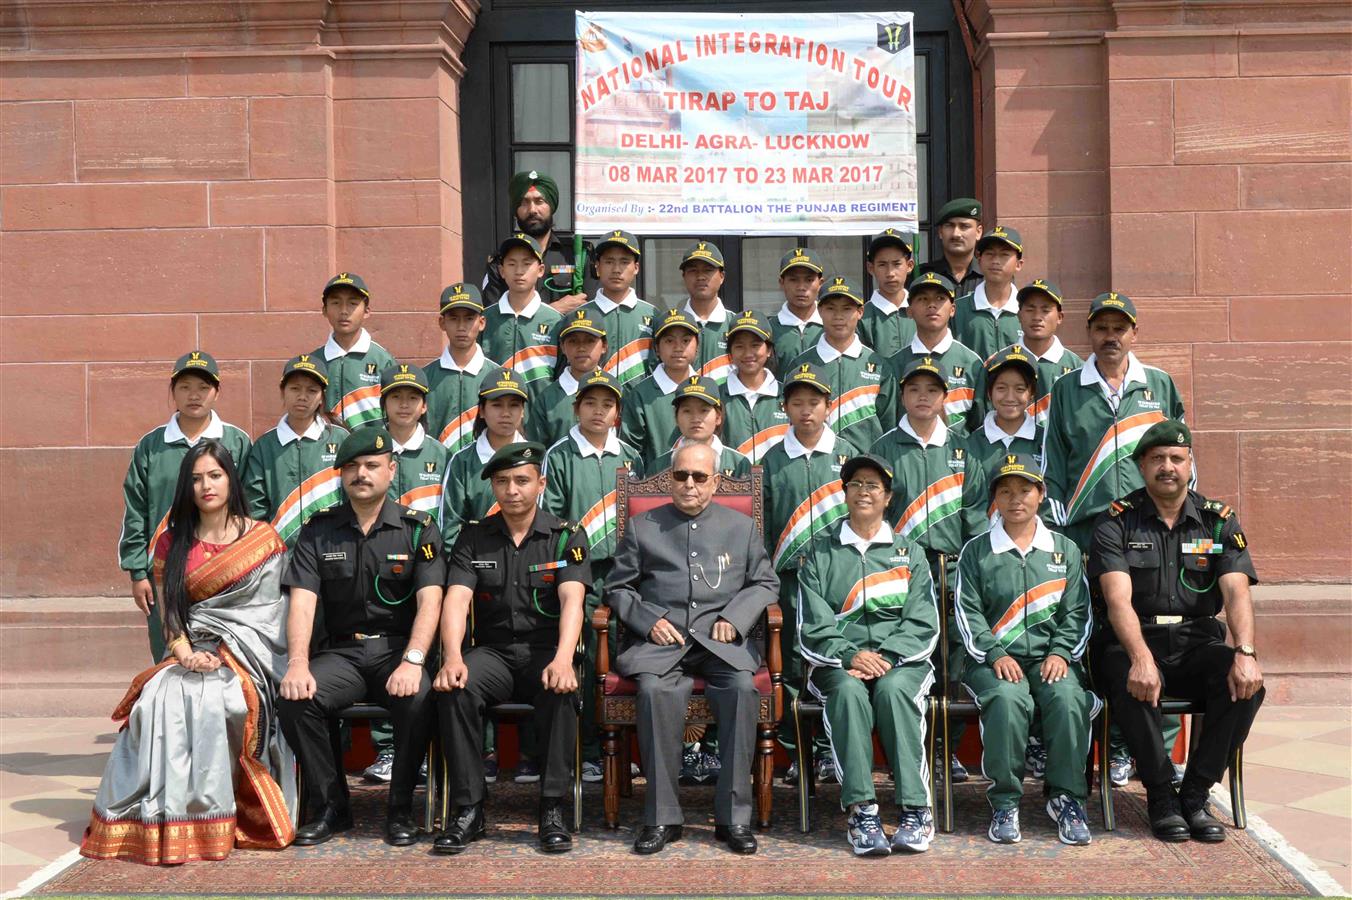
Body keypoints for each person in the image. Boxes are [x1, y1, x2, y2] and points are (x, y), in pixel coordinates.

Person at [83, 441, 296, 865]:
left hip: (250, 653)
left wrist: (227, 650)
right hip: (190, 649)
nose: (206, 486)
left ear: (230, 480)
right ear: (187, 486)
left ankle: (219, 814)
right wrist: (185, 656)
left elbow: (272, 615)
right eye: (196, 478)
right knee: (158, 699)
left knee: (222, 700)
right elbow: (170, 619)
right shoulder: (172, 544)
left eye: (214, 475)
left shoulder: (262, 538)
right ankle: (168, 816)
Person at [1089, 420, 1264, 843]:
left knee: (1247, 685)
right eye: (1157, 459)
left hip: (1196, 642)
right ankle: (1161, 795)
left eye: (1176, 458)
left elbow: (1236, 592)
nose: (1167, 467)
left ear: (1190, 465)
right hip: (1134, 639)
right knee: (1131, 679)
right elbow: (1117, 601)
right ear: (1141, 466)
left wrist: (1245, 652)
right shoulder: (1117, 523)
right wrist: (1141, 656)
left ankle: (1196, 792)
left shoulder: (1216, 523)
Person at [605, 443, 779, 855]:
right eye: (681, 476)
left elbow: (766, 583)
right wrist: (650, 621)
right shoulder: (644, 526)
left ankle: (733, 818)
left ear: (715, 482)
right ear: (669, 478)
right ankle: (662, 816)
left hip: (721, 645)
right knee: (653, 693)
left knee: (740, 690)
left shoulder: (741, 528)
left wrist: (734, 619)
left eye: (699, 477)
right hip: (663, 645)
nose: (689, 484)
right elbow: (617, 587)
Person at [277, 427, 443, 847]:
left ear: (391, 469)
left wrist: (415, 658)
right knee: (297, 700)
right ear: (341, 476)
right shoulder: (319, 531)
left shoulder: (418, 529)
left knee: (419, 696)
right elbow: (302, 601)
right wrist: (297, 663)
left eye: (371, 465)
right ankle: (332, 806)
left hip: (398, 650)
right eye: (351, 467)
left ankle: (401, 808)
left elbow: (430, 601)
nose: (361, 474)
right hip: (344, 653)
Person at [433, 442, 590, 854]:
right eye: (502, 481)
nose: (512, 489)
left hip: (545, 650)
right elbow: (456, 601)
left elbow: (573, 600)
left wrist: (563, 658)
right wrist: (452, 657)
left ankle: (552, 806)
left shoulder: (565, 536)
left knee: (561, 687)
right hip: (495, 652)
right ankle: (469, 808)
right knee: (455, 688)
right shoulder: (473, 537)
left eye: (522, 480)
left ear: (540, 483)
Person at [796, 453, 938, 856]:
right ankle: (862, 810)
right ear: (844, 493)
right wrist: (849, 656)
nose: (863, 491)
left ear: (888, 496)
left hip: (902, 662)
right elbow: (812, 627)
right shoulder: (819, 554)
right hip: (838, 664)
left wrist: (888, 657)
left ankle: (915, 810)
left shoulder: (910, 553)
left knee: (895, 693)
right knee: (847, 694)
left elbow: (924, 623)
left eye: (872, 485)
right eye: (855, 483)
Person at [954, 454, 1097, 846]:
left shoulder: (1064, 550)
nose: (1015, 499)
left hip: (1050, 658)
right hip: (992, 661)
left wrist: (1061, 653)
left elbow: (1078, 612)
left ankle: (1066, 798)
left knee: (1069, 697)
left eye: (1025, 490)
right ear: (994, 500)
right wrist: (995, 653)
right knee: (1005, 698)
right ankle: (1005, 801)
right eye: (1005, 491)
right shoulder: (976, 552)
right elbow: (967, 615)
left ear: (1041, 495)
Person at [870, 356, 988, 782]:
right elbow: (875, 519)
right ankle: (910, 752)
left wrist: (968, 573)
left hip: (951, 572)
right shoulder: (883, 449)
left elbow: (975, 520)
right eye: (914, 390)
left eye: (932, 391)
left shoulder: (964, 449)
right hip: (900, 573)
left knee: (951, 665)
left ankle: (945, 751)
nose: (923, 398)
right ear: (901, 396)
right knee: (907, 661)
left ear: (945, 398)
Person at [541, 368, 644, 782]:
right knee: (582, 659)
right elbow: (554, 520)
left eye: (607, 405)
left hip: (626, 575)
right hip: (578, 574)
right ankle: (584, 751)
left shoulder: (632, 457)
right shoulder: (560, 454)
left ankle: (624, 750)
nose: (598, 412)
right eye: (590, 403)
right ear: (576, 408)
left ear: (617, 413)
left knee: (626, 657)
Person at [759, 364, 860, 782]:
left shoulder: (848, 454)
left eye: (814, 402)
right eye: (797, 402)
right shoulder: (772, 459)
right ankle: (798, 751)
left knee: (833, 660)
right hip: (787, 581)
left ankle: (827, 750)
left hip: (839, 582)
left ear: (828, 406)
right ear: (784, 408)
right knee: (790, 668)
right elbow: (762, 527)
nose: (806, 411)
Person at [119, 350, 252, 661]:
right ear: (173, 391)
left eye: (203, 388)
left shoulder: (236, 442)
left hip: (222, 563)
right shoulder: (152, 445)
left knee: (225, 651)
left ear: (217, 392)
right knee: (169, 648)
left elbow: (247, 507)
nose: (194, 395)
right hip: (165, 568)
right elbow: (135, 509)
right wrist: (138, 573)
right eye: (185, 387)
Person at [1042, 292, 1185, 552]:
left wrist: (1180, 517)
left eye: (1119, 329)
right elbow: (1052, 465)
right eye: (1101, 328)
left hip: (1149, 522)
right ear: (1089, 331)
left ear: (1135, 333)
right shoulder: (1066, 388)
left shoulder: (1160, 384)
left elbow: (1185, 460)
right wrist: (1055, 531)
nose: (1110, 337)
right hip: (1086, 528)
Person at [242, 354, 347, 548]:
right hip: (280, 554)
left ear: (322, 396)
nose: (302, 396)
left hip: (332, 549)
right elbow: (254, 507)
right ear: (282, 392)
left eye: (312, 390)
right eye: (295, 388)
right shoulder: (266, 446)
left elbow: (353, 496)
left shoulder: (341, 439)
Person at [786, 276, 896, 451]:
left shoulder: (878, 366)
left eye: (846, 309)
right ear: (819, 310)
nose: (838, 316)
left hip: (865, 470)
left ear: (860, 312)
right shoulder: (801, 364)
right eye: (830, 308)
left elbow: (889, 424)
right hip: (816, 467)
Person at [967, 278, 1082, 427]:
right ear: (1019, 315)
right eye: (1030, 309)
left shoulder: (1077, 367)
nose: (1037, 317)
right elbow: (980, 417)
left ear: (1059, 317)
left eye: (1045, 310)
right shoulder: (996, 362)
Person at [439, 371, 531, 546]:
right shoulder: (462, 461)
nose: (506, 413)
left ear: (522, 412)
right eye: (497, 405)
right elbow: (450, 527)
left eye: (513, 405)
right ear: (481, 411)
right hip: (474, 563)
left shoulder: (536, 458)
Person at [482, 170, 592, 314]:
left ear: (551, 206)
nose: (532, 210)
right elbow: (492, 318)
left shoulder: (577, 255)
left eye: (539, 201)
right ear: (516, 211)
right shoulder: (500, 261)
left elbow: (593, 310)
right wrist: (552, 311)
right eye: (524, 202)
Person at [884, 271, 983, 428]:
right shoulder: (894, 364)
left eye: (940, 298)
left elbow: (979, 425)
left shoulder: (972, 363)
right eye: (923, 299)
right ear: (909, 311)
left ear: (952, 310)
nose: (932, 305)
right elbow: (889, 421)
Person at [964, 347, 1046, 519]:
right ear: (989, 393)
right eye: (1001, 388)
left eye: (1020, 389)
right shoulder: (971, 444)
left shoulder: (1046, 441)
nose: (1010, 397)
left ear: (1031, 394)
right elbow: (971, 506)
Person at [426, 283, 504, 456]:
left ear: (481, 322)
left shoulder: (498, 377)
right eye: (453, 318)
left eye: (469, 318)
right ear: (442, 322)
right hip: (436, 471)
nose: (461, 327)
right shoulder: (425, 378)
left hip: (484, 471)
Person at [481, 232, 563, 396]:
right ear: (502, 271)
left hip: (539, 417)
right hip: (495, 415)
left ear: (540, 270)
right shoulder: (484, 319)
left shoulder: (556, 321)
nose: (519, 271)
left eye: (526, 264)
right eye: (512, 264)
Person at [311, 273, 396, 431]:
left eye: (353, 303)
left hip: (372, 450)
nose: (344, 311)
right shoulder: (314, 362)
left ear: (367, 311)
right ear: (324, 310)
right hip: (325, 451)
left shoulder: (383, 360)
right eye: (336, 303)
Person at [573, 229, 657, 387]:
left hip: (639, 408)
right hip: (593, 407)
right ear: (597, 267)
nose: (616, 269)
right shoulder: (579, 316)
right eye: (609, 262)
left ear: (636, 268)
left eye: (624, 262)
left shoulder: (653, 315)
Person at [620, 308, 700, 463]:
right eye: (669, 341)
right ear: (656, 348)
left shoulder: (707, 390)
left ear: (697, 346)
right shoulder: (641, 394)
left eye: (686, 341)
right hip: (655, 483)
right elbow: (631, 451)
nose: (678, 348)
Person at [531, 311, 609, 447]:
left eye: (590, 341)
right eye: (573, 341)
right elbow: (537, 449)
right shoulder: (547, 398)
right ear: (562, 347)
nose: (581, 348)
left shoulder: (615, 391)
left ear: (604, 346)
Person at [649, 376, 751, 477]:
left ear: (718, 417)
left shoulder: (738, 464)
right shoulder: (660, 466)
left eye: (703, 411)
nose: (696, 419)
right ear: (676, 418)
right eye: (687, 411)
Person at [381, 364, 448, 516]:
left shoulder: (442, 455)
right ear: (384, 404)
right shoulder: (370, 450)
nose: (404, 405)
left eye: (413, 398)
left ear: (424, 406)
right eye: (396, 397)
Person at [721, 311, 787, 464]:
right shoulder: (717, 398)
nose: (748, 353)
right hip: (733, 484)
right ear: (730, 353)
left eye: (755, 345)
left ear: (769, 350)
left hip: (777, 483)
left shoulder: (788, 395)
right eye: (739, 346)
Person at [954, 225, 1025, 362]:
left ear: (1018, 264)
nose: (996, 261)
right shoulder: (958, 309)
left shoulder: (1027, 310)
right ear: (979, 260)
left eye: (1004, 255)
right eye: (990, 254)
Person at [679, 241, 735, 383]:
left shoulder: (736, 325)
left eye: (708, 270)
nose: (700, 277)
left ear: (722, 276)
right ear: (684, 276)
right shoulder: (670, 324)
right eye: (693, 271)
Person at [858, 229, 917, 359]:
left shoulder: (921, 311)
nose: (890, 273)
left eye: (897, 264)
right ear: (870, 268)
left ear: (910, 266)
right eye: (882, 265)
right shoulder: (862, 317)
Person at [768, 247, 824, 379]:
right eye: (793, 280)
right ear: (781, 283)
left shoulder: (833, 326)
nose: (801, 287)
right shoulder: (769, 329)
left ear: (820, 283)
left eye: (809, 280)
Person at [915, 198, 984, 297]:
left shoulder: (989, 276)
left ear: (978, 232)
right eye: (949, 226)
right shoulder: (922, 276)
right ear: (940, 232)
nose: (956, 234)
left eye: (964, 226)